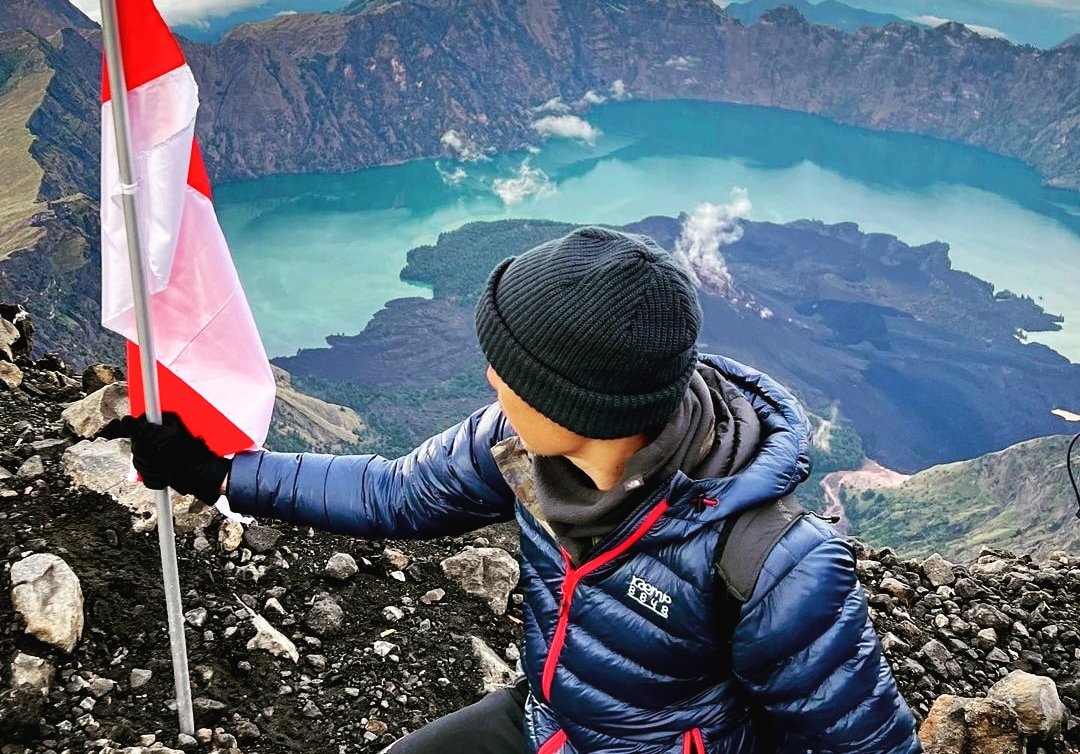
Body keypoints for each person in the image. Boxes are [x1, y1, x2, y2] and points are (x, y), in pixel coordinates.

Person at [117, 225, 923, 754]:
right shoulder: (514, 448)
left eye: (509, 372)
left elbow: (865, 745)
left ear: (581, 407)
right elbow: (396, 495)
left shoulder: (773, 562)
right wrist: (223, 474)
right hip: (550, 723)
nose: (490, 378)